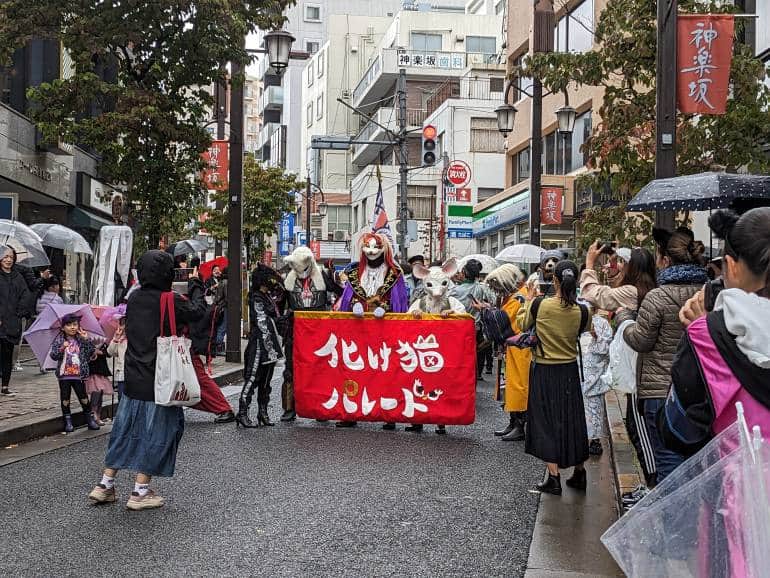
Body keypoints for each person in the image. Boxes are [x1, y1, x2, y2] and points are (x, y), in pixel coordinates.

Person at [88, 250, 206, 510]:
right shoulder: (170, 299)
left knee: (125, 430)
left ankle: (105, 484)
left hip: (133, 376)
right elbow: (199, 312)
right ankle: (140, 492)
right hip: (161, 379)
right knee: (159, 431)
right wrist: (197, 283)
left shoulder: (134, 298)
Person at [662, 208, 770, 456]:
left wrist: (702, 333)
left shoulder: (707, 333)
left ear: (731, 266)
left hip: (745, 478)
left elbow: (677, 432)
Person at [615, 227, 707, 483]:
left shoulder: (657, 297)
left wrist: (624, 320)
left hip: (659, 392)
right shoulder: (708, 293)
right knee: (696, 464)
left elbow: (641, 341)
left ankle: (669, 509)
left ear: (666, 260)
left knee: (666, 461)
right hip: (700, 393)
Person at [580, 243, 659, 490]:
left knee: (638, 429)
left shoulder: (632, 292)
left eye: (623, 263)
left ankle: (652, 487)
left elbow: (594, 294)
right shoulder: (652, 289)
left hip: (638, 374)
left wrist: (590, 264)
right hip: (649, 370)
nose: (619, 266)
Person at [517, 260, 590, 496]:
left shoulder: (541, 305)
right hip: (569, 370)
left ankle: (554, 477)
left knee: (545, 422)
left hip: (545, 369)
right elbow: (582, 331)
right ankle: (580, 472)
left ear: (555, 280)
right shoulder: (583, 310)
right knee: (573, 420)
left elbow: (522, 324)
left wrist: (528, 299)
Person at [484, 264, 531, 441]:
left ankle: (520, 425)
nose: (496, 290)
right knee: (510, 386)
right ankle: (513, 422)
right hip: (513, 349)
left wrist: (487, 311)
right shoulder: (514, 295)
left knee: (518, 387)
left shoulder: (519, 297)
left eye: (497, 286)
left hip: (519, 349)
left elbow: (504, 322)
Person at [237, 264, 284, 428]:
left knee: (266, 380)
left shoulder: (267, 296)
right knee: (253, 377)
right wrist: (280, 320)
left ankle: (262, 412)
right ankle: (242, 412)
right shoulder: (256, 297)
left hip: (270, 345)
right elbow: (262, 320)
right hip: (258, 344)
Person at [189, 293, 235, 423]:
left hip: (180, 345)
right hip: (181, 344)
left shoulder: (179, 297)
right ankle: (223, 408)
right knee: (198, 379)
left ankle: (223, 408)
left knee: (199, 378)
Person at [49, 314, 100, 432]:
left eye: (75, 324)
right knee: (65, 399)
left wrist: (86, 339)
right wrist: (62, 348)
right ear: (62, 328)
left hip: (79, 375)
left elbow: (90, 353)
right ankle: (68, 422)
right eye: (69, 325)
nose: (72, 327)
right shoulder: (59, 340)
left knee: (83, 398)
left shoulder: (81, 339)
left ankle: (90, 420)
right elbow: (54, 355)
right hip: (64, 376)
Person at [450, 259, 496, 379]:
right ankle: (476, 374)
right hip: (476, 325)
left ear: (464, 273)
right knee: (476, 352)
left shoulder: (455, 290)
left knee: (461, 352)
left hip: (460, 325)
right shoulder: (481, 288)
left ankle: (461, 375)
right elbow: (492, 301)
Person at [0, 246, 33, 395]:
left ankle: (5, 386)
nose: (8, 260)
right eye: (5, 257)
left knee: (8, 355)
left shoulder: (18, 277)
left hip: (12, 322)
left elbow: (25, 296)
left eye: (11, 257)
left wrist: (18, 313)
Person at [580, 312, 613, 456]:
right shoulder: (575, 317)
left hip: (593, 370)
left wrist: (596, 337)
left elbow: (606, 348)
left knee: (594, 404)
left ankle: (595, 440)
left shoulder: (602, 323)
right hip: (577, 365)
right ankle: (577, 438)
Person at [85, 343, 113, 427]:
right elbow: (85, 355)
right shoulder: (88, 342)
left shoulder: (104, 342)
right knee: (96, 392)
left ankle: (98, 415)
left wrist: (102, 352)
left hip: (102, 370)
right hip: (93, 370)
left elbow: (109, 353)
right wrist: (93, 352)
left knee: (100, 394)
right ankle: (93, 415)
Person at [106, 315, 127, 399]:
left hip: (135, 373)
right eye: (120, 324)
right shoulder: (120, 339)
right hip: (122, 373)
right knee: (121, 397)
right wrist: (115, 339)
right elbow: (110, 352)